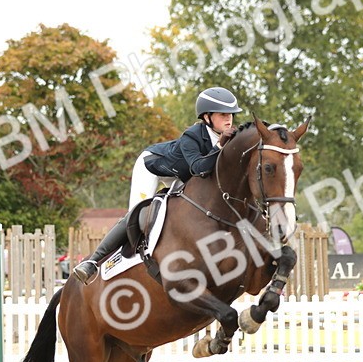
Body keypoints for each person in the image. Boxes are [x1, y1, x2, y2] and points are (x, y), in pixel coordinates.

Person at [72, 86, 243, 283]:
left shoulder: (231, 137)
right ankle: (93, 262)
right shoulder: (192, 136)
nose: (229, 119)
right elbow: (199, 169)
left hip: (182, 174)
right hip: (153, 167)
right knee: (138, 213)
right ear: (207, 117)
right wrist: (220, 145)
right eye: (223, 115)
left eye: (231, 114)